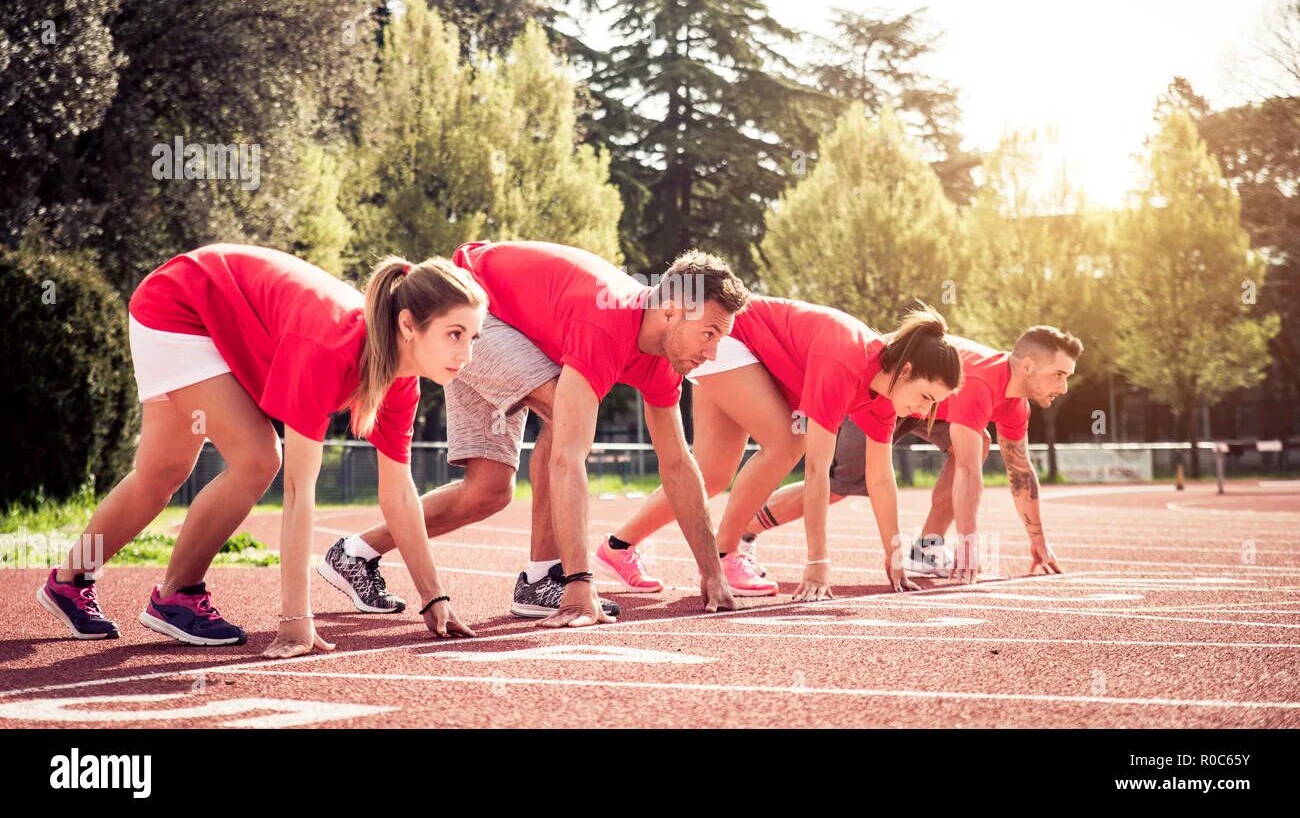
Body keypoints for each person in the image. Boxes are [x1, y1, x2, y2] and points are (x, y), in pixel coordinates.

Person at [37, 244, 484, 657]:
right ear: (408, 324)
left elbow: (399, 494)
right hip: (181, 304)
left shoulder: (400, 382)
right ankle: (177, 595)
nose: (465, 353)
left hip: (208, 313)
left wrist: (434, 596)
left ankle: (70, 580)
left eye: (473, 338)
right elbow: (298, 491)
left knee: (160, 473)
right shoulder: (329, 349)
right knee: (258, 459)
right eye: (454, 334)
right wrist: (295, 620)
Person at [326, 241, 750, 627]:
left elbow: (677, 464)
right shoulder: (605, 322)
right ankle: (546, 575)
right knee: (564, 413)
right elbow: (567, 456)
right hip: (473, 310)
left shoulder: (662, 360)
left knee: (488, 491)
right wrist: (581, 583)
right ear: (672, 311)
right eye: (709, 334)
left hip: (517, 327)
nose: (711, 352)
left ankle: (355, 553)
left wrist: (712, 572)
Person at [596, 301, 963, 599]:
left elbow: (881, 479)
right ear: (907, 369)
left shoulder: (882, 398)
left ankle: (617, 546)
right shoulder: (846, 358)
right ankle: (725, 554)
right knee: (788, 443)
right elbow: (816, 471)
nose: (922, 412)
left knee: (712, 472)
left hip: (745, 354)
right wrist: (817, 560)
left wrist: (894, 554)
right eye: (926, 397)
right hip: (728, 338)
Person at [741, 327, 1083, 584]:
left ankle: (927, 549)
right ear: (1026, 366)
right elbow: (965, 469)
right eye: (1058, 374)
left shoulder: (1014, 406)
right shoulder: (981, 382)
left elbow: (1020, 471)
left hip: (927, 406)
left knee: (977, 442)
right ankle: (741, 533)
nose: (1064, 387)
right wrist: (968, 545)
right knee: (842, 486)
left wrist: (1038, 542)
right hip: (886, 392)